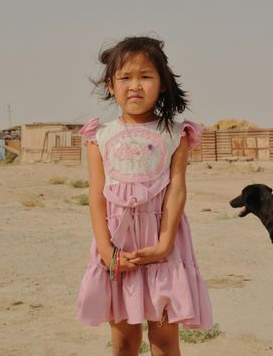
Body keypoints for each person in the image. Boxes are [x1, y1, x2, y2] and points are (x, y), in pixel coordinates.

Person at [76, 36, 213, 356]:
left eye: (145, 76)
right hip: (118, 248)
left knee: (164, 342)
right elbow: (96, 195)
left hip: (163, 247)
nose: (135, 85)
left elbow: (177, 190)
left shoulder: (176, 134)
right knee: (124, 342)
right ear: (111, 86)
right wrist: (106, 250)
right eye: (125, 77)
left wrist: (164, 244)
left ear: (162, 84)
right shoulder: (100, 136)